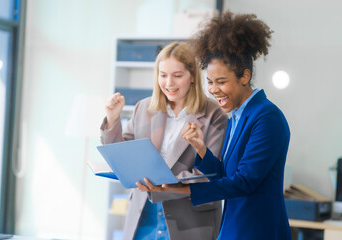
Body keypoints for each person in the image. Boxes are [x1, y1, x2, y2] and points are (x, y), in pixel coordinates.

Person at [137, 11, 292, 240]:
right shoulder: (237, 116)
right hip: (232, 230)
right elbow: (223, 175)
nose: (213, 89)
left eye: (221, 82)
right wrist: (201, 149)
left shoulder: (267, 117)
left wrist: (180, 189)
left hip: (258, 231)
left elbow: (244, 182)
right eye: (210, 82)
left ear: (244, 76)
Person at [100, 42, 228, 240]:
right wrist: (112, 119)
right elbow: (122, 156)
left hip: (190, 220)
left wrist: (162, 185)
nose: (169, 83)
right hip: (144, 215)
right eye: (163, 75)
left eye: (177, 76)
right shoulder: (143, 108)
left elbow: (211, 171)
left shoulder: (214, 114)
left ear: (193, 76)